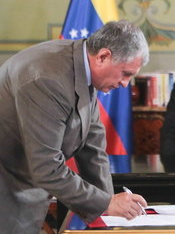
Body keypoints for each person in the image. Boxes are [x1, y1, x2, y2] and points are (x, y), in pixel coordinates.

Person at [0, 20, 150, 233]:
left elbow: (94, 149)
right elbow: (46, 167)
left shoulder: (83, 66)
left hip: (24, 180)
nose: (126, 84)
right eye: (125, 74)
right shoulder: (48, 80)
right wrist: (105, 203)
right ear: (103, 57)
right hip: (7, 184)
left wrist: (109, 211)